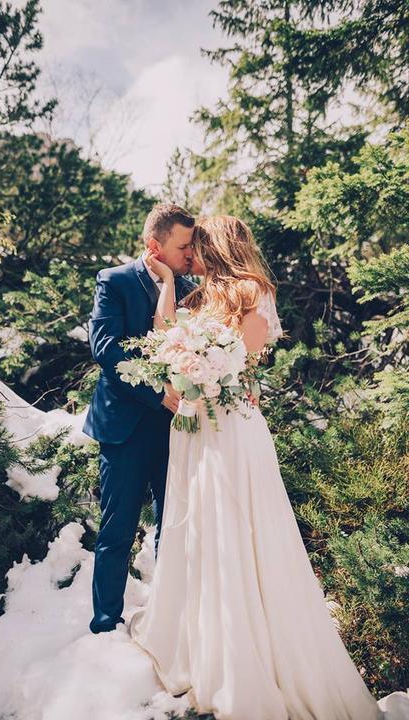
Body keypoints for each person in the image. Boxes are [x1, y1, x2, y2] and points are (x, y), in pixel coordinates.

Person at [129, 215, 383, 720]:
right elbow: (163, 338)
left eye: (198, 247)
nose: (191, 255)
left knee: (238, 531)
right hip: (195, 428)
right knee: (201, 530)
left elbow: (242, 357)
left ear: (216, 247)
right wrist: (168, 290)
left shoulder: (252, 291)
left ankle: (246, 657)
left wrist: (204, 367)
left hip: (231, 429)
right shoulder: (198, 296)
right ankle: (203, 642)